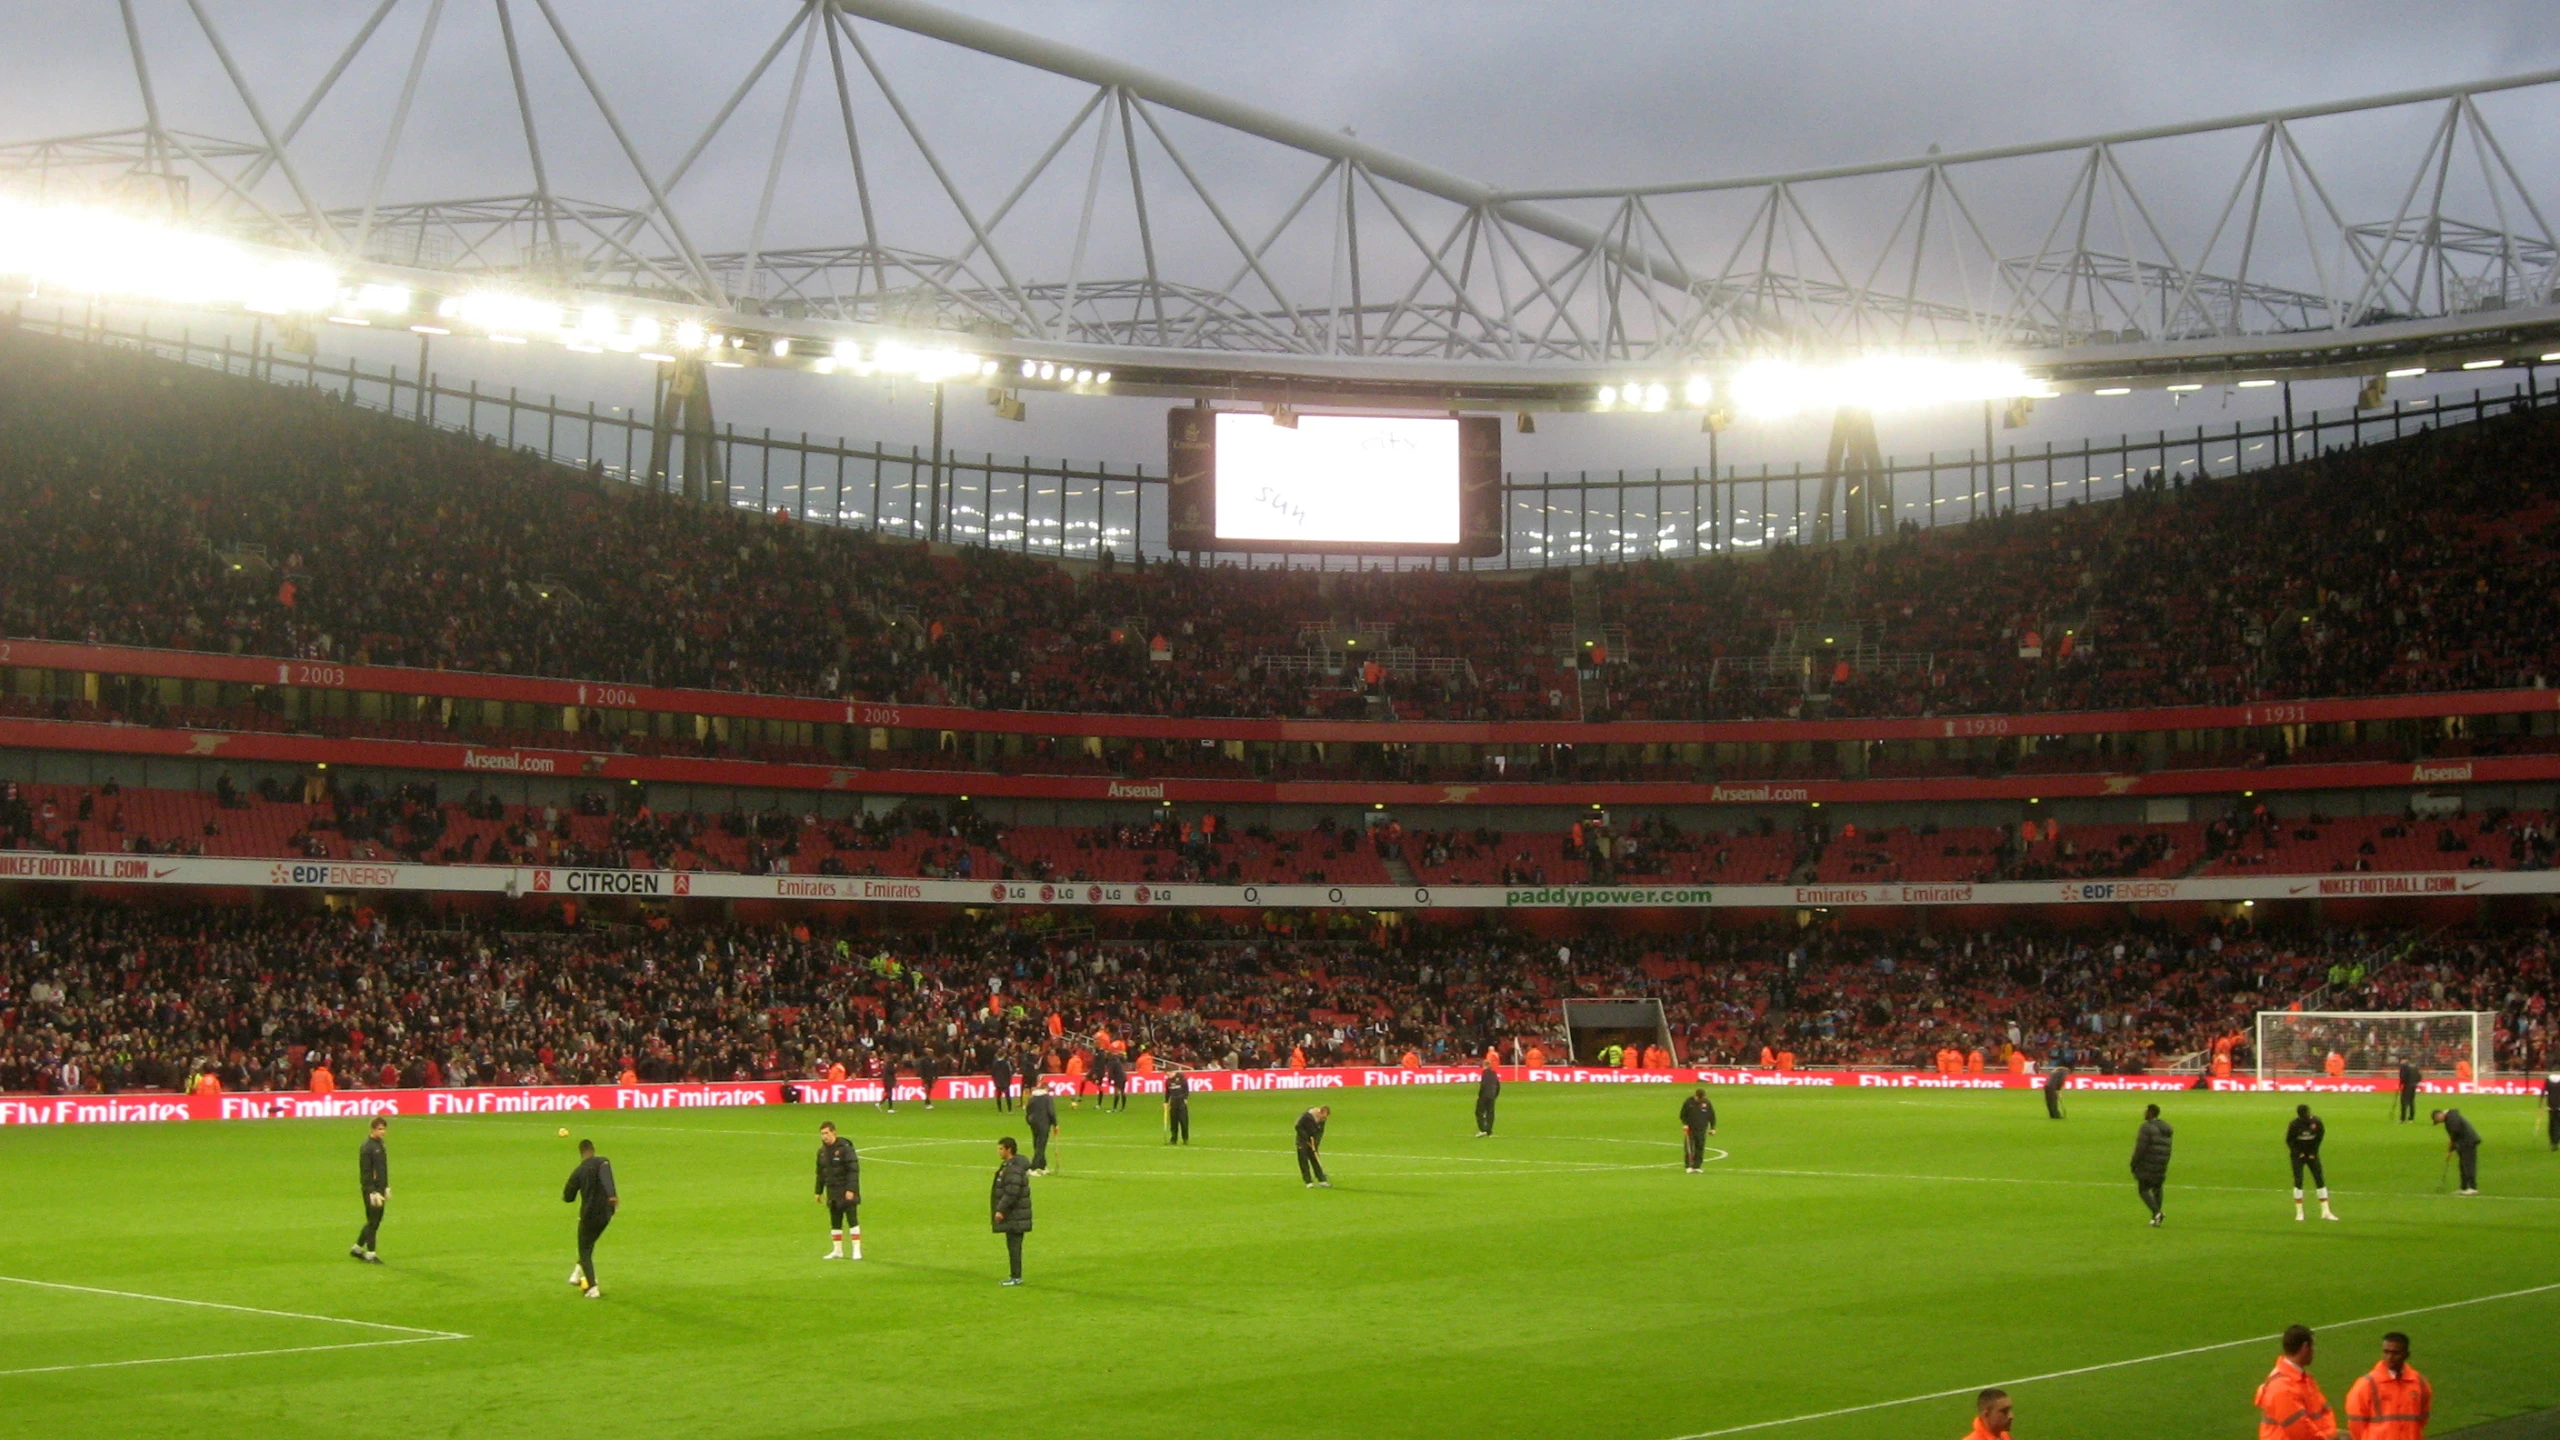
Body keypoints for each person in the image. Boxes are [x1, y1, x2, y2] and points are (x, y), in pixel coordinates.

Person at [2343, 1331, 2430, 1440]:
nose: (2389, 1357)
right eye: (2386, 1352)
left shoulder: (2420, 1383)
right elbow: (2355, 1423)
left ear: (2406, 1355)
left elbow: (2422, 1418)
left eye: (2395, 1353)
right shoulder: (2367, 1384)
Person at [2255, 1324, 2337, 1440]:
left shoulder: (2303, 1379)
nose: (2314, 1351)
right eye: (2312, 1346)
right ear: (2305, 1347)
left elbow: (2324, 1411)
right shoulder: (2282, 1388)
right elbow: (2301, 1433)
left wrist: (2329, 1435)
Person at [563, 1138, 619, 1299]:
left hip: (589, 1215)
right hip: (606, 1214)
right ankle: (576, 1273)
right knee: (590, 1241)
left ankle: (592, 1288)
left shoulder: (578, 1171)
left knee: (585, 1249)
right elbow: (606, 1176)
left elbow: (568, 1197)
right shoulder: (603, 1162)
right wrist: (612, 1196)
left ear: (581, 1153)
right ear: (593, 1149)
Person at [990, 1136, 1032, 1286]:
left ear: (1009, 1149)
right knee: (1013, 1245)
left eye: (1001, 1148)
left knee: (1014, 1246)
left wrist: (1000, 1210)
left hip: (1015, 1214)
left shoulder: (1012, 1169)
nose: (999, 1152)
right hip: (1016, 1214)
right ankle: (1015, 1275)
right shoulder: (1009, 1166)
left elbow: (1012, 1192)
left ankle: (1016, 1277)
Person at [816, 1120, 861, 1260]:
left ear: (834, 1132)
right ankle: (837, 1250)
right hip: (832, 1191)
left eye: (826, 1133)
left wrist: (851, 1189)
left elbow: (853, 1170)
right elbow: (820, 1173)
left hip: (846, 1189)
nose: (824, 1136)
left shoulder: (845, 1148)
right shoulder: (822, 1152)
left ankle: (856, 1250)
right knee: (835, 1221)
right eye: (822, 1134)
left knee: (852, 1219)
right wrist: (818, 1191)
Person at [2287, 1104, 2339, 1223]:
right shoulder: (2294, 1124)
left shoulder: (2316, 1122)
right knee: (2298, 1180)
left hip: (2312, 1154)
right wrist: (2298, 1153)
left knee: (2319, 1179)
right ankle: (2299, 1213)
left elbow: (2319, 1137)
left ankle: (2326, 1211)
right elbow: (2289, 1140)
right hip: (2298, 1156)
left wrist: (2313, 1152)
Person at [349, 1117, 389, 1264]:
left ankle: (357, 1248)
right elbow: (366, 1172)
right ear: (372, 1129)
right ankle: (371, 1254)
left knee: (376, 1220)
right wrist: (372, 1191)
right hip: (371, 1190)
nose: (382, 1132)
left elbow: (382, 1169)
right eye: (379, 1129)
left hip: (380, 1189)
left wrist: (386, 1187)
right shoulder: (367, 1147)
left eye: (384, 1129)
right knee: (373, 1221)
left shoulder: (380, 1144)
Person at [2131, 1103, 2173, 1226]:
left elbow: (2141, 1148)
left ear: (2151, 1113)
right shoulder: (2166, 1128)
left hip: (2148, 1163)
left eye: (2146, 1111)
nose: (2144, 1113)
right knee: (2157, 1188)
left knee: (2143, 1189)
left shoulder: (2146, 1127)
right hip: (2162, 1162)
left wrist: (2134, 1163)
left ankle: (2156, 1213)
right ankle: (2156, 1219)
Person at [2430, 1109, 2481, 1195]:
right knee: (2462, 1165)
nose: (2439, 1122)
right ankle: (2463, 1187)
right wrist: (2451, 1150)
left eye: (2437, 1120)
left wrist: (2450, 1149)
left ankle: (2472, 1187)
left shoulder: (2452, 1118)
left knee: (2468, 1164)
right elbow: (2454, 1137)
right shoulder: (2449, 1120)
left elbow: (2454, 1134)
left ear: (2439, 1115)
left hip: (2468, 1142)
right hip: (2462, 1143)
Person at [1680, 1088, 1718, 1173]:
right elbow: (1682, 1114)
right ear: (1695, 1095)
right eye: (1698, 1098)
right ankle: (1689, 1165)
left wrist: (1712, 1128)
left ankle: (1697, 1166)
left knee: (1700, 1147)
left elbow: (1711, 1116)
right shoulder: (1688, 1102)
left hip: (1701, 1129)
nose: (1699, 1100)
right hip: (1690, 1128)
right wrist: (1685, 1124)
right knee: (1689, 1147)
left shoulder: (1706, 1103)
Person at [1295, 1104, 1331, 1188]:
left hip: (1313, 1141)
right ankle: (1308, 1181)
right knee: (1303, 1161)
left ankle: (1322, 1180)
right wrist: (1306, 1138)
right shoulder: (1307, 1116)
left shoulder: (1322, 1119)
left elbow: (1320, 1132)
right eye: (1323, 1117)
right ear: (1320, 1112)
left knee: (1315, 1159)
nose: (1324, 1119)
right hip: (1302, 1141)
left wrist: (1315, 1143)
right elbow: (1297, 1126)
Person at [1025, 1088, 1058, 1175]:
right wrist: (1055, 1124)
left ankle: (1042, 1166)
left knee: (1037, 1143)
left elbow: (1027, 1110)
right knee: (1041, 1145)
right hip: (1043, 1123)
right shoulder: (1047, 1098)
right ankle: (1033, 1168)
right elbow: (1051, 1112)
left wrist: (1029, 1121)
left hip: (1033, 1123)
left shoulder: (1032, 1098)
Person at [1163, 1068, 1191, 1145]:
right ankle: (1173, 1139)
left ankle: (1185, 1139)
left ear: (1173, 1072)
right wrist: (1166, 1102)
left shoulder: (1181, 1078)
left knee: (1184, 1122)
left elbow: (1186, 1089)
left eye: (1169, 1074)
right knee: (1173, 1123)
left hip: (1181, 1102)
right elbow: (1167, 1092)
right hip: (1173, 1103)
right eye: (1167, 1074)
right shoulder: (1168, 1081)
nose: (1168, 1075)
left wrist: (1185, 1098)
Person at [1474, 1063, 1501, 1138]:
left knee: (1479, 1112)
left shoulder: (1485, 1073)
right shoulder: (1494, 1073)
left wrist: (1479, 1095)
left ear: (1484, 1066)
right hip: (1492, 1096)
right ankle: (1489, 1131)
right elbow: (1498, 1086)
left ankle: (1483, 1130)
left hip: (1484, 1096)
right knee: (1490, 1113)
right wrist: (1495, 1095)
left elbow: (1483, 1085)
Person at [2543, 1072, 2559, 1152]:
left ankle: (2552, 1141)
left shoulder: (2548, 1080)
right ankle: (2555, 1142)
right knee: (2558, 1124)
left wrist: (2540, 1104)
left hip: (2550, 1106)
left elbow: (2543, 1092)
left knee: (2552, 1124)